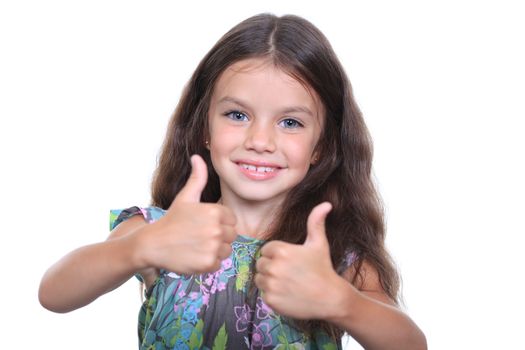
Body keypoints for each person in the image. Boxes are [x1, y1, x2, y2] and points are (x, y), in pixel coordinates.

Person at [39, 13, 427, 350]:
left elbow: (411, 344)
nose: (259, 141)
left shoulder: (334, 257)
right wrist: (139, 248)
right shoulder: (162, 232)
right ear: (204, 127)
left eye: (290, 122)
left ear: (320, 147)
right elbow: (54, 293)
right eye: (237, 115)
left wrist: (342, 302)